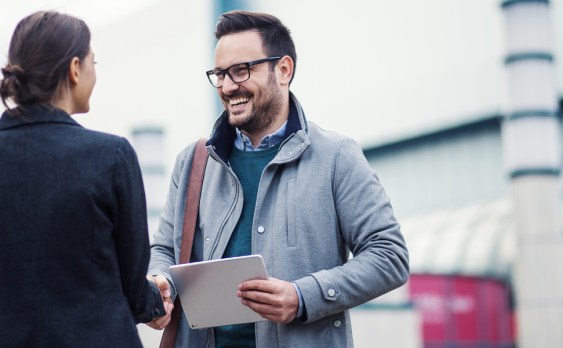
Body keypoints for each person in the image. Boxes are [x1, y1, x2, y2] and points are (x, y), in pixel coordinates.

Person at [147, 10, 409, 348]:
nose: (227, 87)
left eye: (241, 70)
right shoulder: (193, 162)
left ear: (283, 70)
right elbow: (165, 250)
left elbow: (389, 255)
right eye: (220, 74)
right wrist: (160, 284)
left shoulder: (337, 156)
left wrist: (303, 297)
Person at [0, 11, 172, 347]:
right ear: (75, 69)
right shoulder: (110, 156)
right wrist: (156, 299)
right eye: (94, 61)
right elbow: (133, 289)